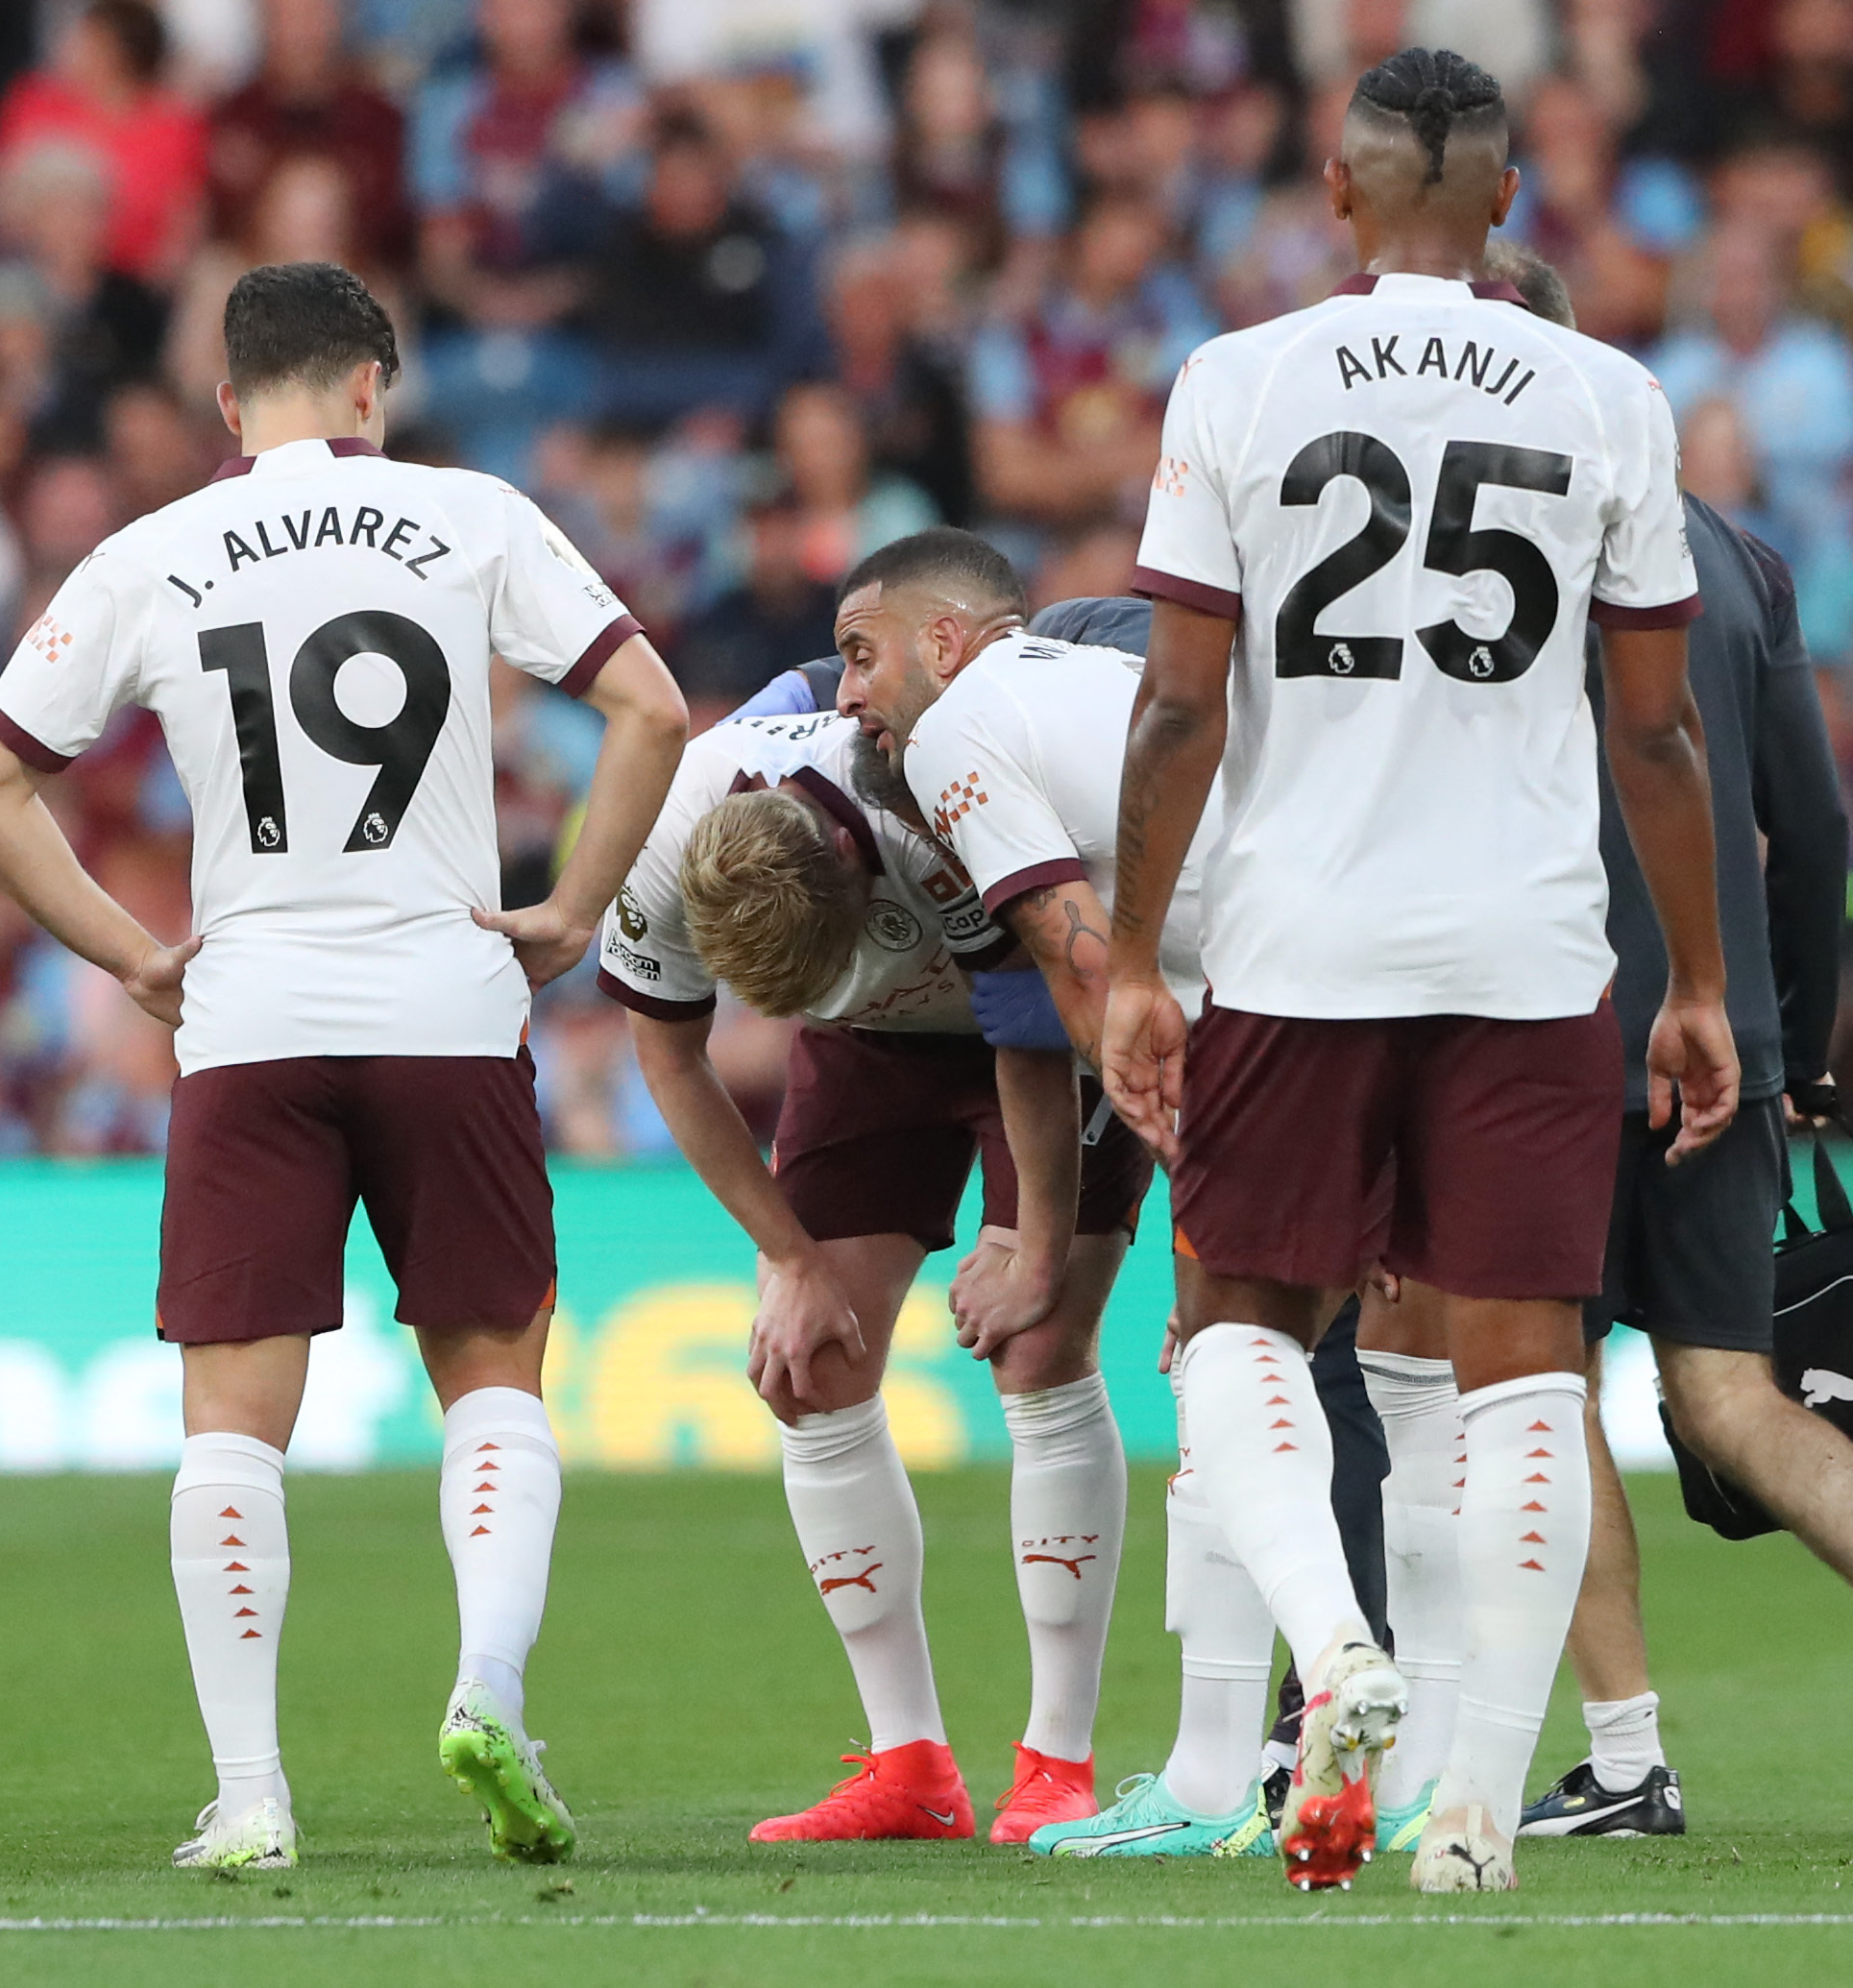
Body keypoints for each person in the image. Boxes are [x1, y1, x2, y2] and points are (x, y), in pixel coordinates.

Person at [0, 261, 687, 1871]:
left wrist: (132, 948)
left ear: (227, 403)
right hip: (444, 1007)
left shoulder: (152, 552)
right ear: (371, 390)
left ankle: (253, 1794)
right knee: (493, 1375)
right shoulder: (469, 513)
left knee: (231, 1422)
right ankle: (489, 1685)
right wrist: (572, 902)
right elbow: (650, 704)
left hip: (251, 1022)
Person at [1103, 47, 1739, 1895]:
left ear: (1339, 192)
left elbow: (1176, 705)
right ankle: (1474, 1805)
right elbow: (1662, 734)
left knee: (1234, 1325)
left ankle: (1336, 1646)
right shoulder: (1610, 394)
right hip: (1529, 947)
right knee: (1525, 1375)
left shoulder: (1237, 381)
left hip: (1300, 939)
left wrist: (1140, 956)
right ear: (1512, 209)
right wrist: (1692, 979)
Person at [1469, 249, 1853, 1848]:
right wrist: (1797, 1033)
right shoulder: (1735, 550)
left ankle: (1627, 1751)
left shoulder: (1490, 544)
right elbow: (1817, 820)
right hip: (1731, 1032)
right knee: (1721, 1385)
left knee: (1535, 1385)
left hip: (1550, 1021)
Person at [597, 533, 1155, 1849]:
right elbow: (668, 1056)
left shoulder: (931, 793)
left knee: (1041, 1340)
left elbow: (1028, 1026)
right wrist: (785, 1255)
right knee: (805, 1363)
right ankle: (911, 1765)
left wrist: (1030, 1237)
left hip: (1029, 1004)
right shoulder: (670, 829)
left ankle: (1055, 1763)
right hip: (872, 1046)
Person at [831, 552, 1380, 1861]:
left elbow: (1079, 968)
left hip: (1266, 988)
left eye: (865, 653)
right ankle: (1421, 1761)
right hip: (1384, 941)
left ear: (950, 642)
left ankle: (1243, 1751)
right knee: (1404, 1360)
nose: (850, 692)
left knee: (1229, 1348)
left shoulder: (959, 735)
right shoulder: (1097, 675)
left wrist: (1186, 1167)